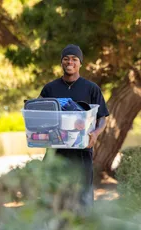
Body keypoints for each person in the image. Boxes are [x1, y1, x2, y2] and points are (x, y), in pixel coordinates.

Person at [39, 44, 109, 209]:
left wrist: (96, 133)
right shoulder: (50, 88)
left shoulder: (91, 88)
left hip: (82, 151)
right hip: (55, 152)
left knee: (82, 198)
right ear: (61, 62)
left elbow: (103, 118)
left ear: (80, 63)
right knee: (54, 196)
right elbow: (37, 109)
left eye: (74, 59)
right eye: (66, 59)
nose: (70, 62)